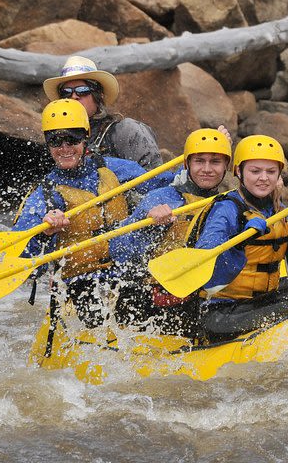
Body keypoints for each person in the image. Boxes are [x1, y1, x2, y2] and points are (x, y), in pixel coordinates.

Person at [13, 99, 173, 328]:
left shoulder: (111, 167)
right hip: (80, 283)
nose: (65, 148)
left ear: (86, 137)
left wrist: (199, 167)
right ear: (48, 144)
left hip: (126, 272)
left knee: (150, 301)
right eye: (56, 141)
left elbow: (162, 184)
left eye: (73, 138)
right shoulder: (45, 195)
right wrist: (45, 233)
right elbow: (21, 257)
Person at [178, 135, 288, 342]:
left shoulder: (280, 213)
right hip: (219, 314)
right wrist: (240, 242)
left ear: (279, 174)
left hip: (258, 303)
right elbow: (204, 270)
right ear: (239, 171)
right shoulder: (226, 209)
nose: (263, 178)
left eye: (271, 171)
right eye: (255, 171)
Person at [109, 127, 233, 331]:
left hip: (196, 299)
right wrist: (149, 225)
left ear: (226, 166)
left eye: (215, 161)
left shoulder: (226, 203)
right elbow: (119, 252)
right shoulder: (162, 198)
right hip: (150, 302)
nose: (207, 169)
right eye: (199, 161)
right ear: (187, 164)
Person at [43, 55, 163, 170]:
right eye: (66, 93)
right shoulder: (55, 140)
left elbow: (155, 177)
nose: (74, 96)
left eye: (82, 90)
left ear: (98, 95)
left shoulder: (126, 131)